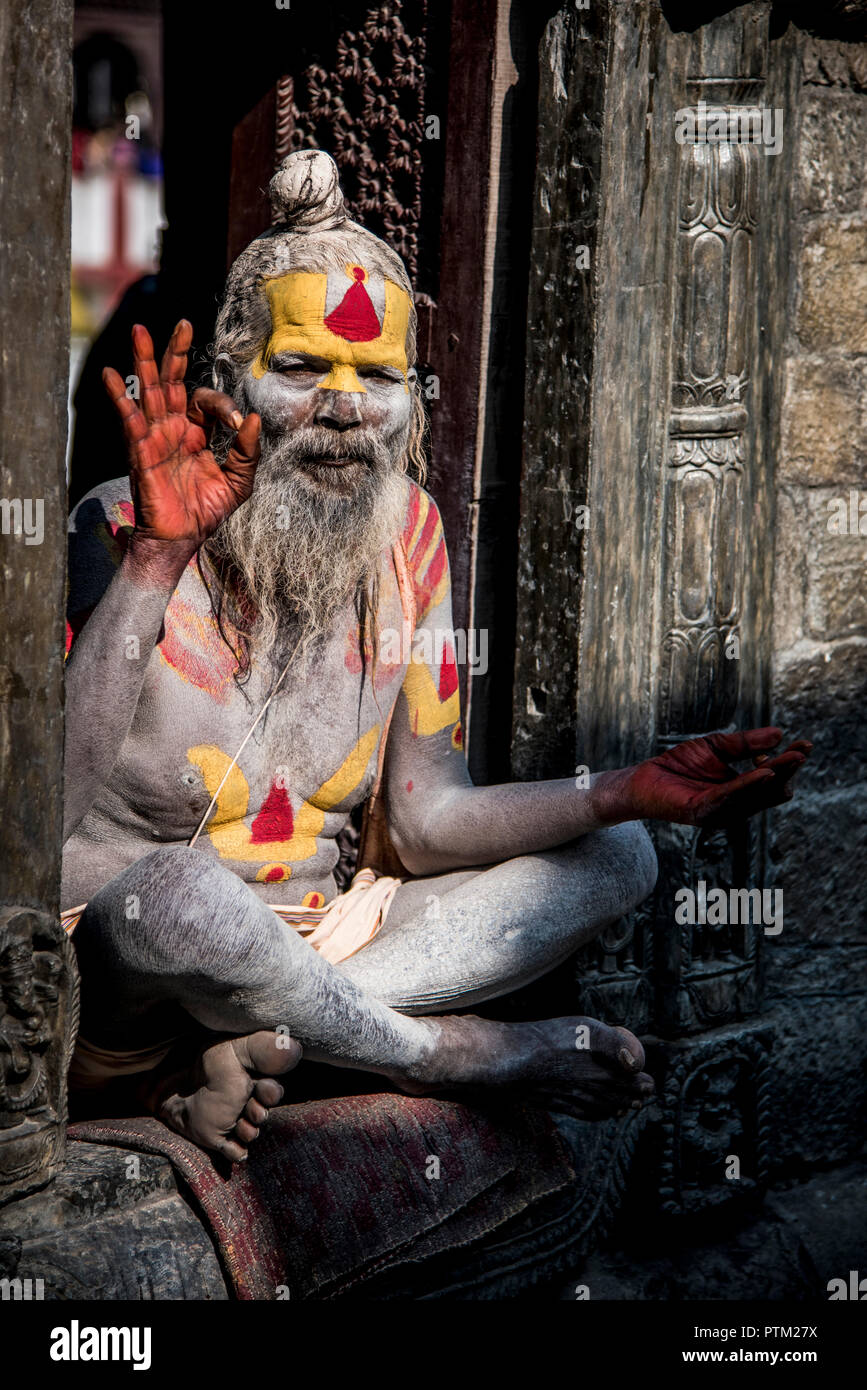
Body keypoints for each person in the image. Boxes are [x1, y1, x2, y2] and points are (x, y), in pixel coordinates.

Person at [62, 152, 810, 1162]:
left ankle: (281, 1038)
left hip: (331, 945)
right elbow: (40, 822)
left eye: (376, 376)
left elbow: (426, 822)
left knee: (619, 855)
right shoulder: (116, 523)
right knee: (188, 898)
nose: (344, 405)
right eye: (301, 368)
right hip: (125, 981)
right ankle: (441, 1053)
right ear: (228, 382)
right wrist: (158, 559)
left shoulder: (411, 536)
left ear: (410, 403)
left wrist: (625, 789)